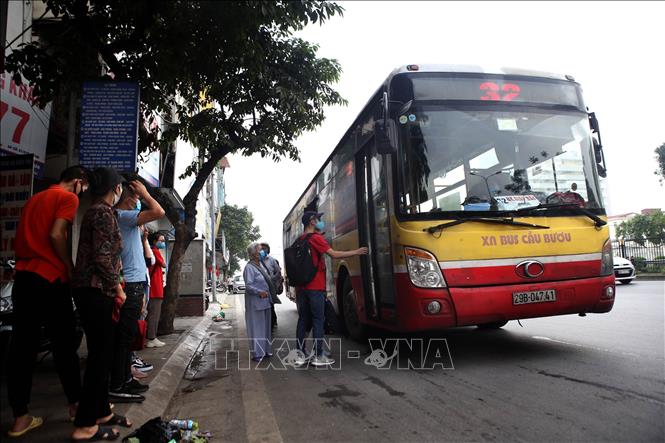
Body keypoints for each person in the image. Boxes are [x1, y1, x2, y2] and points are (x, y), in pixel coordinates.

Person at [7, 165, 88, 438]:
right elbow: (56, 235)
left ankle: (20, 418)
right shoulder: (68, 198)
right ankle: (76, 407)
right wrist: (68, 265)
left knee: (21, 349)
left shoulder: (34, 199)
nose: (82, 192)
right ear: (78, 182)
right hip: (50, 278)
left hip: (23, 279)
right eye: (84, 187)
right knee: (64, 345)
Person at [71, 167, 131, 442]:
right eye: (121, 187)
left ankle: (100, 412)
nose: (122, 192)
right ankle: (85, 425)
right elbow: (102, 257)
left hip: (93, 292)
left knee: (101, 355)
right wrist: (118, 288)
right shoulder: (103, 213)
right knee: (99, 358)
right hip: (97, 292)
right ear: (115, 188)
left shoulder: (97, 212)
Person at [109, 179, 165, 402]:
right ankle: (117, 384)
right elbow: (159, 211)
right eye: (137, 197)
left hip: (135, 283)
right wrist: (146, 193)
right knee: (123, 338)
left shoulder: (128, 220)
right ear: (128, 197)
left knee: (128, 336)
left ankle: (125, 379)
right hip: (130, 284)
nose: (139, 201)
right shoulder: (122, 217)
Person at [295, 211, 368, 366]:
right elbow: (333, 255)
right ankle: (319, 355)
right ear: (312, 222)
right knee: (318, 320)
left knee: (303, 320)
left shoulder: (300, 239)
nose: (321, 221)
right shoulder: (316, 239)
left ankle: (300, 353)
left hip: (302, 288)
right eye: (318, 219)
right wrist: (357, 252)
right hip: (315, 287)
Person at [243, 243, 275, 361]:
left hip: (266, 301)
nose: (263, 251)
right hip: (256, 302)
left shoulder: (261, 265)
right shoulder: (249, 267)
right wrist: (259, 292)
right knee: (257, 328)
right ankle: (257, 353)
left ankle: (266, 350)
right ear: (254, 253)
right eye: (260, 250)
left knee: (266, 328)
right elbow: (249, 285)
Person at [146, 232, 167, 348]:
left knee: (152, 314)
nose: (163, 243)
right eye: (161, 240)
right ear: (154, 241)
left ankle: (151, 337)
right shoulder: (155, 251)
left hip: (154, 287)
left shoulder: (151, 250)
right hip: (155, 288)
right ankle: (151, 338)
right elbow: (164, 264)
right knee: (154, 314)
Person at [259, 242, 283, 328]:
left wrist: (273, 279)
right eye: (261, 249)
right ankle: (265, 323)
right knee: (262, 305)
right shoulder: (256, 260)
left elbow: (278, 272)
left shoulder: (272, 260)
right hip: (260, 287)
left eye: (264, 249)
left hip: (270, 286)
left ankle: (272, 323)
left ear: (268, 250)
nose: (262, 250)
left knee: (270, 304)